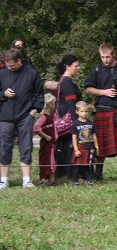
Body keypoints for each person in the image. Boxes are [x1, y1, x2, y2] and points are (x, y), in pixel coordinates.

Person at [84, 43, 117, 181]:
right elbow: (88, 88)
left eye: (107, 57)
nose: (105, 60)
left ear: (114, 54)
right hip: (102, 111)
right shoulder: (97, 69)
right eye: (102, 57)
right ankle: (98, 174)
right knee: (100, 145)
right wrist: (104, 92)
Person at [0, 47, 44, 189]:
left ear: (19, 61)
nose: (9, 67)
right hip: (5, 117)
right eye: (7, 65)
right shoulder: (2, 74)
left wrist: (34, 110)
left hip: (25, 116)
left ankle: (26, 180)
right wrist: (3, 94)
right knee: (4, 147)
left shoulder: (32, 73)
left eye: (12, 65)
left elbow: (40, 94)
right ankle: (3, 180)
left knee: (26, 147)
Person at [54, 55, 82, 183]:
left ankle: (65, 174)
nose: (78, 68)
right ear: (67, 66)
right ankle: (70, 175)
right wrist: (77, 123)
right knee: (70, 146)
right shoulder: (66, 82)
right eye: (76, 66)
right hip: (69, 118)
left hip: (65, 115)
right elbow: (72, 105)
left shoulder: (64, 81)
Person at [34, 94, 58, 185]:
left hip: (52, 143)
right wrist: (46, 136)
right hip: (46, 143)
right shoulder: (44, 117)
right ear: (50, 105)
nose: (55, 105)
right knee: (46, 161)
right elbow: (36, 128)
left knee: (52, 161)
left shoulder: (51, 116)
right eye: (54, 103)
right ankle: (43, 180)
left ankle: (52, 180)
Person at [71, 101, 96, 186]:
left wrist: (96, 146)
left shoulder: (90, 123)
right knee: (77, 165)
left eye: (86, 111)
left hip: (88, 147)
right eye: (82, 111)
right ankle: (75, 181)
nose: (84, 113)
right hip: (80, 146)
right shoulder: (75, 123)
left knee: (87, 165)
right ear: (77, 112)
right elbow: (74, 137)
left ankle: (88, 180)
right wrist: (76, 149)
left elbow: (94, 135)